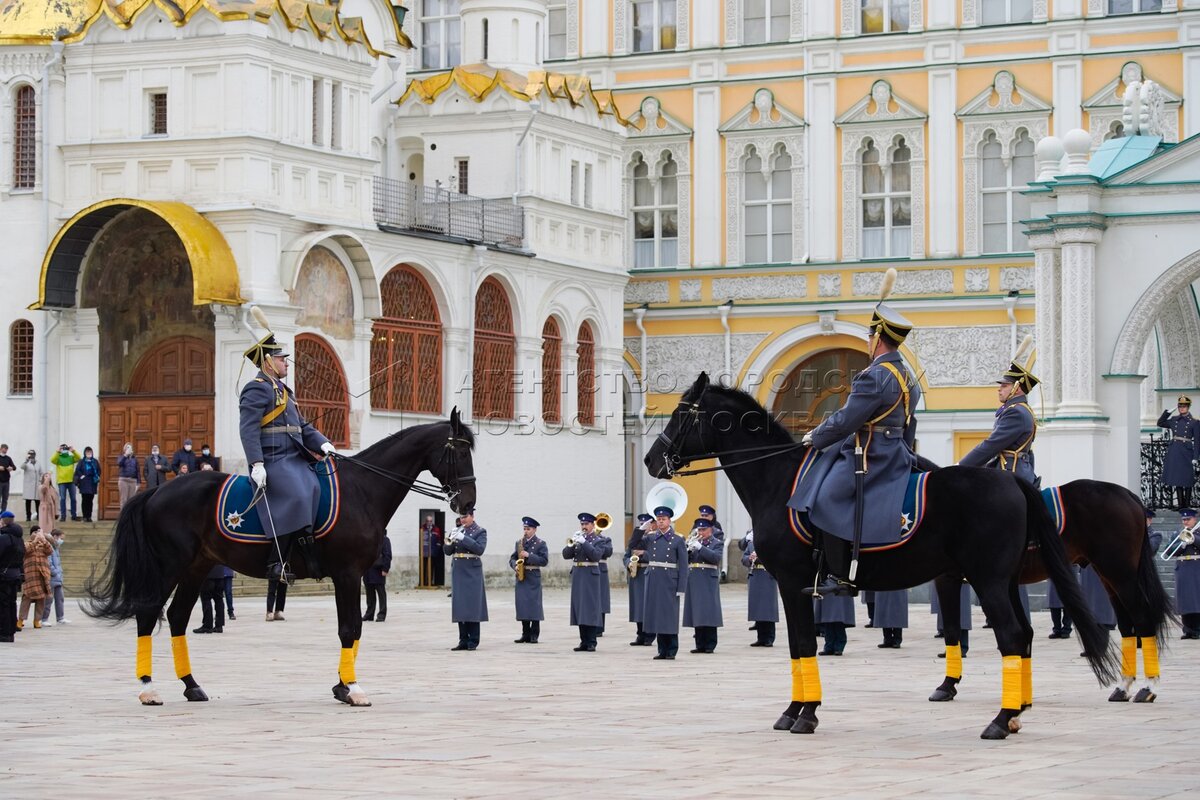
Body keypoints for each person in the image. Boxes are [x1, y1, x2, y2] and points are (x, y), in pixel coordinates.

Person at [790, 269, 920, 597]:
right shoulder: (907, 376)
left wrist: (814, 436)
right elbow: (910, 424)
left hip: (868, 454)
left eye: (869, 336)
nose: (868, 340)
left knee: (825, 498)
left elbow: (847, 420)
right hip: (897, 453)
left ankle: (840, 576)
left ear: (877, 338)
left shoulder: (875, 376)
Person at [239, 330, 335, 582]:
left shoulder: (285, 392)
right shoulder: (256, 389)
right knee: (299, 492)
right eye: (282, 359)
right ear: (269, 362)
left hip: (294, 457)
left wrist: (324, 444)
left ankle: (306, 547)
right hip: (272, 458)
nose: (286, 363)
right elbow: (248, 429)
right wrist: (256, 463)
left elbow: (302, 427)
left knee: (316, 487)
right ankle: (276, 560)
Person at [959, 341, 1040, 487]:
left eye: (1004, 385)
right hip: (1016, 471)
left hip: (1010, 474)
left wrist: (961, 466)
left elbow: (991, 445)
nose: (999, 389)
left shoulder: (1015, 412)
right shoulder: (1021, 409)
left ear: (1018, 388)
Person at [641, 506, 689, 660]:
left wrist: (681, 587)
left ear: (669, 521)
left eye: (663, 519)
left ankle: (672, 649)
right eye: (659, 520)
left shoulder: (677, 540)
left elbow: (683, 565)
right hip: (655, 579)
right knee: (658, 616)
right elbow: (634, 545)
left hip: (669, 580)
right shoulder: (651, 537)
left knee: (669, 615)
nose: (661, 522)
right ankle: (662, 650)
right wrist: (640, 530)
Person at [444, 508, 487, 650]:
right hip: (459, 570)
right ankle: (463, 639)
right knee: (460, 605)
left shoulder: (480, 531)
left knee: (472, 605)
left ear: (472, 516)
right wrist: (448, 540)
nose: (463, 520)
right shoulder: (458, 530)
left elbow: (480, 549)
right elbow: (447, 551)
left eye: (465, 517)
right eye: (461, 517)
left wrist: (464, 538)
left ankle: (473, 640)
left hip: (472, 570)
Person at [563, 512, 605, 652]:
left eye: (586, 524)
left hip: (591, 576)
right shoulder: (578, 539)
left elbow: (596, 556)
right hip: (578, 575)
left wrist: (584, 542)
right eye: (582, 524)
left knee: (590, 608)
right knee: (580, 608)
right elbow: (565, 555)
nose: (584, 526)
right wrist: (572, 544)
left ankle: (592, 641)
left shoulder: (598, 540)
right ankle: (583, 641)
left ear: (593, 525)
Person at [683, 518, 723, 653]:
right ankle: (699, 644)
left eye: (704, 529)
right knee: (697, 612)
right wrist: (687, 550)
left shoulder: (717, 543)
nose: (701, 532)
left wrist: (701, 548)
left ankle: (710, 643)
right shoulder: (694, 542)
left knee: (709, 611)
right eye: (699, 530)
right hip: (694, 579)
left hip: (708, 579)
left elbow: (715, 558)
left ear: (711, 529)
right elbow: (685, 561)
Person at [509, 517, 547, 643]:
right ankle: (525, 633)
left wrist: (529, 555)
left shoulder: (541, 543)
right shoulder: (519, 543)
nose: (526, 531)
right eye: (524, 529)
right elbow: (512, 558)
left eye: (528, 529)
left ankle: (534, 634)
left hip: (533, 575)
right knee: (522, 605)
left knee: (534, 605)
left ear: (535, 530)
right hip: (522, 576)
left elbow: (544, 561)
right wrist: (515, 564)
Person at [1157, 396, 1199, 510]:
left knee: (1187, 478)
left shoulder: (1194, 422)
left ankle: (1187, 504)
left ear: (1188, 407)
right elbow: (1160, 423)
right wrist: (1168, 412)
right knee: (1177, 478)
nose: (1182, 408)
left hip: (1186, 451)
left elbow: (1197, 441)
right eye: (1180, 406)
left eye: (1184, 406)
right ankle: (1181, 505)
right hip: (1175, 450)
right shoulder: (1174, 419)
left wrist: (1196, 456)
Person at [740, 530, 778, 647]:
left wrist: (758, 557)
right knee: (757, 609)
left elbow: (774, 557)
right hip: (755, 575)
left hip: (767, 574)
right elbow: (744, 558)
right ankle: (760, 637)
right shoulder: (751, 543)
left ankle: (769, 638)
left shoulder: (771, 542)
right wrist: (750, 559)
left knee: (767, 609)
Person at [625, 513, 654, 646]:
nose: (644, 528)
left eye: (646, 525)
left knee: (648, 605)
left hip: (648, 573)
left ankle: (649, 635)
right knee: (637, 606)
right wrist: (628, 563)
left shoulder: (654, 538)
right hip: (636, 573)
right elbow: (627, 554)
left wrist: (644, 554)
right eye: (642, 525)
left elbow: (657, 555)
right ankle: (640, 634)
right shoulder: (635, 539)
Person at [1170, 508, 1200, 639]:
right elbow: (1168, 550)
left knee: (1197, 600)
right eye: (1184, 519)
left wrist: (1194, 539)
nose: (1186, 522)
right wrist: (1181, 545)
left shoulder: (1198, 531)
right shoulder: (1178, 533)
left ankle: (1197, 629)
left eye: (1188, 519)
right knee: (1185, 601)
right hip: (1182, 569)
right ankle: (1187, 629)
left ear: (1195, 519)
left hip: (1196, 567)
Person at [17, 523, 52, 630]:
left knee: (41, 599)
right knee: (26, 598)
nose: (37, 534)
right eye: (35, 532)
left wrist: (44, 540)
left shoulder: (44, 544)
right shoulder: (26, 544)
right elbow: (24, 551)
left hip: (43, 575)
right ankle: (21, 619)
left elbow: (50, 551)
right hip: (30, 576)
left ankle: (37, 620)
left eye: (39, 532)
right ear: (31, 534)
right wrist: (35, 541)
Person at [0, 510, 25, 642]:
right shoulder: (19, 539)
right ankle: (10, 631)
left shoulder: (4, 538)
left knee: (3, 604)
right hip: (15, 575)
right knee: (11, 603)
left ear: (3, 522)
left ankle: (4, 632)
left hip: (4, 575)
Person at [814, 590, 855, 656]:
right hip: (826, 587)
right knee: (827, 617)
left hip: (841, 586)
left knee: (839, 616)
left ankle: (839, 647)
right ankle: (829, 647)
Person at [40, 529, 67, 626]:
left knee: (60, 598)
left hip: (58, 577)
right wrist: (55, 573)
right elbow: (49, 563)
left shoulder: (56, 547)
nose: (61, 540)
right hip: (52, 577)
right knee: (48, 599)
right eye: (60, 538)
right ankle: (44, 618)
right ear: (55, 536)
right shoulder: (49, 547)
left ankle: (60, 617)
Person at [362, 534, 392, 622]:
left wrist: (385, 568)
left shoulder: (384, 539)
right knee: (369, 594)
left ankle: (382, 614)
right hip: (367, 570)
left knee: (381, 593)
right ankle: (369, 614)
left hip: (378, 570)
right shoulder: (367, 538)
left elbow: (387, 555)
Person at [51, 444, 81, 521]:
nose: (64, 449)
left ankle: (74, 515)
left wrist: (73, 451)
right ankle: (63, 516)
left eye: (65, 448)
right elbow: (52, 460)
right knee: (63, 499)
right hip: (61, 481)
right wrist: (57, 452)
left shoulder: (71, 457)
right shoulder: (58, 458)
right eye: (63, 448)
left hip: (71, 481)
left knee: (73, 498)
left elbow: (79, 458)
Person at [193, 564, 226, 633]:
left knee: (206, 599)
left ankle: (207, 625)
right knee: (219, 599)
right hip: (220, 575)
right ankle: (219, 626)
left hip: (207, 575)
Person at [73, 446, 102, 523]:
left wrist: (97, 476)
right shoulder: (81, 461)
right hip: (84, 483)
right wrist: (81, 476)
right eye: (87, 452)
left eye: (90, 452)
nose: (89, 454)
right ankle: (85, 516)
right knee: (85, 499)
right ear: (85, 453)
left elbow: (99, 470)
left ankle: (89, 516)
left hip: (92, 483)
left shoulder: (95, 461)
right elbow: (78, 470)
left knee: (90, 500)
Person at [21, 450, 46, 521]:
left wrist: (41, 479)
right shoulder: (26, 463)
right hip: (28, 485)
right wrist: (26, 460)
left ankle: (39, 515)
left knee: (37, 501)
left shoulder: (38, 463)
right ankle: (28, 516)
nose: (31, 455)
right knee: (28, 501)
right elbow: (22, 467)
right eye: (30, 454)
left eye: (33, 454)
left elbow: (42, 472)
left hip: (37, 485)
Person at [421, 514, 444, 587]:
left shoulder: (436, 529)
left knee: (431, 567)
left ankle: (430, 582)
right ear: (425, 521)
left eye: (430, 521)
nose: (429, 522)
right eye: (428, 521)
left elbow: (439, 540)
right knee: (424, 567)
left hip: (433, 552)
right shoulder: (422, 528)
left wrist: (437, 549)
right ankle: (423, 582)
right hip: (424, 551)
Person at [116, 443, 139, 509]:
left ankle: (130, 517)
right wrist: (126, 455)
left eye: (130, 448)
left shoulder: (134, 459)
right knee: (124, 499)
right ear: (125, 449)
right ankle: (123, 517)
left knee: (131, 500)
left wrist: (138, 482)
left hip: (133, 481)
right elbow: (119, 463)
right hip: (124, 480)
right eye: (127, 447)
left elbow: (137, 471)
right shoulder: (121, 457)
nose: (129, 449)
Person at [0, 443, 15, 513]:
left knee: (5, 498)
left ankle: (3, 513)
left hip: (6, 481)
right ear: (1, 449)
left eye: (6, 449)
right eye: (4, 448)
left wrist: (11, 468)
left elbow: (14, 467)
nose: (5, 450)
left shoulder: (8, 458)